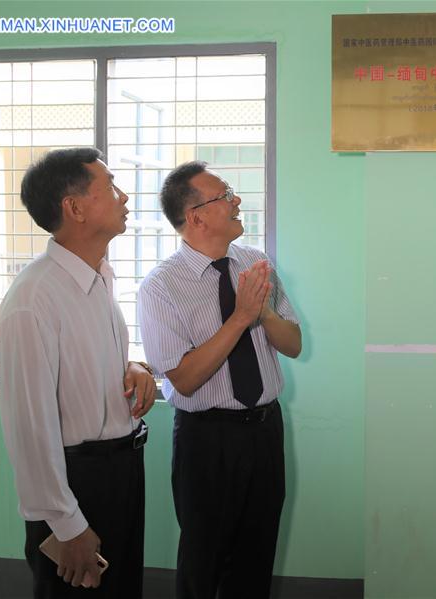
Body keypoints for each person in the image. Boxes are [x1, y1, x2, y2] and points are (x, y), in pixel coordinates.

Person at [0, 147, 156, 598]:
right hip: (76, 485)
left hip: (122, 470)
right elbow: (29, 427)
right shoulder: (33, 299)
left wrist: (133, 365)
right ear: (76, 208)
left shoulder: (100, 277)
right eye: (110, 188)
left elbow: (82, 363)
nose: (125, 197)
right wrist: (66, 524)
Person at [138, 161, 301, 599]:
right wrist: (241, 317)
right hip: (207, 440)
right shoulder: (161, 288)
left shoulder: (256, 264)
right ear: (196, 217)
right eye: (225, 195)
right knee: (204, 560)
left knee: (256, 555)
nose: (237, 201)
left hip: (265, 430)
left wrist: (263, 312)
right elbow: (185, 379)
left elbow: (293, 343)